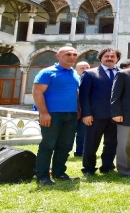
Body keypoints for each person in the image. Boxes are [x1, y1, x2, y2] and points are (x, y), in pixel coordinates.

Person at [33, 47, 81, 186]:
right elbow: (37, 93)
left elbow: (76, 93)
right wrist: (44, 113)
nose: (71, 57)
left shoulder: (74, 73)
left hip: (71, 115)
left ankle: (59, 172)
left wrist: (78, 110)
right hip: (52, 114)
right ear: (58, 56)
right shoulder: (47, 72)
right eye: (68, 54)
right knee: (48, 145)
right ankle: (42, 176)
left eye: (74, 55)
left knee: (65, 146)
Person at [79, 48, 120, 177]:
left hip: (116, 116)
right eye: (106, 56)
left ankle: (107, 166)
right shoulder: (90, 73)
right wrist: (86, 113)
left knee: (111, 143)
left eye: (112, 56)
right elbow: (84, 95)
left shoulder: (122, 73)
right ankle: (89, 168)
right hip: (95, 115)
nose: (109, 58)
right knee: (91, 143)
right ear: (101, 58)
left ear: (117, 59)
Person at [73, 61, 90, 157]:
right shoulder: (74, 79)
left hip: (85, 111)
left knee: (82, 133)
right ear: (77, 70)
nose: (85, 70)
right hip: (73, 110)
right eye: (82, 68)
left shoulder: (92, 78)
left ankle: (79, 151)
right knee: (69, 133)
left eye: (87, 67)